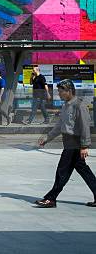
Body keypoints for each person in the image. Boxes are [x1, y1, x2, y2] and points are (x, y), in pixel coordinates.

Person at [35, 79, 96, 208]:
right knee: (84, 172)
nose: (59, 94)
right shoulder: (65, 106)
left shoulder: (79, 105)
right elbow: (59, 126)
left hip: (75, 144)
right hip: (68, 143)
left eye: (61, 91)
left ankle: (51, 198)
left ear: (69, 91)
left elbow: (85, 126)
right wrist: (47, 138)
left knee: (62, 171)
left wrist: (84, 146)